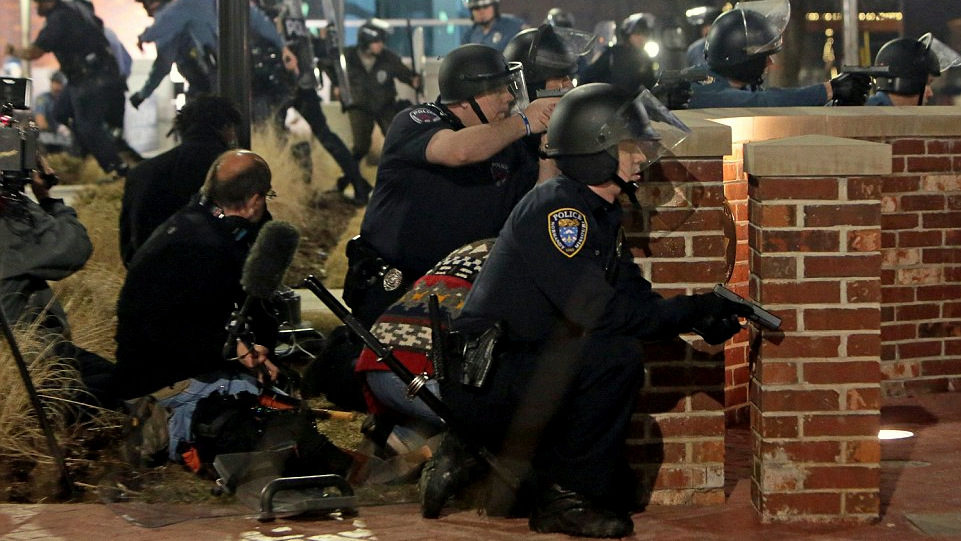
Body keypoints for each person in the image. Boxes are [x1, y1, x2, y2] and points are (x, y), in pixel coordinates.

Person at [419, 83, 752, 537]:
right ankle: (562, 501)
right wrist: (692, 310)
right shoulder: (561, 213)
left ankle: (547, 479)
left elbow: (634, 297)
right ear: (595, 150)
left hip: (517, 363)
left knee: (617, 487)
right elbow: (604, 315)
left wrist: (698, 315)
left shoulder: (597, 210)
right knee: (613, 357)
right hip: (488, 380)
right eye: (629, 147)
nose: (641, 158)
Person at [346, 43, 559, 327]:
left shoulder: (507, 143)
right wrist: (525, 122)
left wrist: (548, 150)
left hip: (463, 295)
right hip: (396, 293)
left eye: (508, 88)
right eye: (497, 90)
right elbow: (457, 151)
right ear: (463, 99)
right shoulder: (416, 121)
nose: (508, 98)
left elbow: (534, 206)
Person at [110, 150, 279, 459]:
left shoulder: (191, 225)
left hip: (157, 368)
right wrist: (236, 351)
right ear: (255, 200)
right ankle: (162, 426)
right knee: (268, 421)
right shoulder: (203, 249)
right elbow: (170, 330)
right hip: (162, 380)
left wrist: (253, 347)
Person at [4, 0, 129, 178]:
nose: (36, 5)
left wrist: (13, 51)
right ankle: (89, 150)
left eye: (38, 2)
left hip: (91, 78)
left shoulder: (59, 18)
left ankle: (118, 168)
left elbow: (34, 52)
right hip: (88, 77)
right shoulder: (77, 7)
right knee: (60, 112)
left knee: (88, 127)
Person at [119, 95, 241, 266]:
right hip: (216, 279)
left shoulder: (141, 173)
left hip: (152, 279)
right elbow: (249, 231)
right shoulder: (235, 170)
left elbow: (128, 247)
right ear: (226, 128)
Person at [689, 2, 871, 108]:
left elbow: (779, 106)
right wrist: (829, 90)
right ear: (740, 59)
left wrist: (834, 105)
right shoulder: (699, 86)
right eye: (763, 57)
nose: (770, 62)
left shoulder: (744, 87)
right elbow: (761, 103)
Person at [131, 0, 284, 107]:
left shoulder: (180, 9)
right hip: (246, 69)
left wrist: (142, 94)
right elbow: (260, 22)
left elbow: (163, 63)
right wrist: (283, 46)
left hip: (211, 79)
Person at [342, 19, 421, 167]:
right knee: (360, 147)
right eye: (377, 41)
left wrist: (413, 80)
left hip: (385, 105)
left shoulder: (388, 57)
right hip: (359, 107)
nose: (381, 45)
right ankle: (347, 178)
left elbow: (404, 73)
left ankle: (405, 173)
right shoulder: (348, 56)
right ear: (366, 42)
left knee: (398, 139)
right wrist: (337, 85)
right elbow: (328, 66)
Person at [867, 33, 961, 106]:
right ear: (905, 84)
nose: (930, 94)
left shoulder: (889, 116)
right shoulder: (870, 117)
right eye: (927, 83)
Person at [580, 12, 658, 95]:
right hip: (612, 104)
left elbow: (650, 85)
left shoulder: (645, 59)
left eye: (645, 34)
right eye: (637, 33)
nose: (641, 38)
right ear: (628, 35)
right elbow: (588, 76)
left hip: (635, 105)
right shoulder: (613, 54)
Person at [33, 71, 74, 154]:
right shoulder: (43, 99)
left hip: (66, 137)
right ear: (51, 83)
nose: (58, 87)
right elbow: (40, 121)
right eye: (56, 83)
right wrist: (55, 129)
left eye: (60, 84)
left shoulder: (68, 100)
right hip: (47, 135)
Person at [461, 0, 526, 52]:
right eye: (476, 8)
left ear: (494, 7)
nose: (481, 12)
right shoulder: (468, 35)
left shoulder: (514, 26)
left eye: (485, 6)